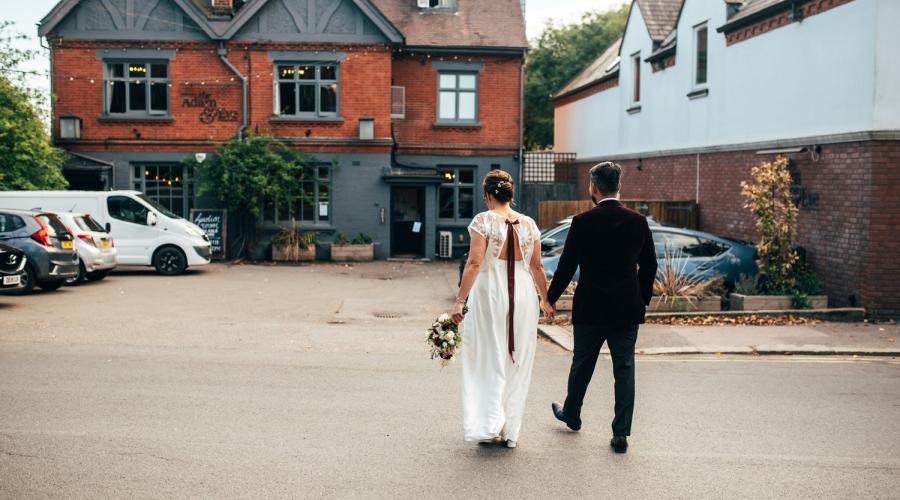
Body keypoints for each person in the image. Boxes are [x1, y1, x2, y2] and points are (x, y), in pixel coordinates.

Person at [546, 162, 657, 454]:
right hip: (626, 308)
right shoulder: (638, 221)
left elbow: (566, 266)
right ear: (619, 187)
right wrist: (642, 299)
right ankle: (621, 434)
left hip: (590, 306)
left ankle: (572, 414)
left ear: (593, 187)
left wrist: (550, 298)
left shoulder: (582, 222)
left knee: (582, 363)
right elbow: (649, 266)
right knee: (625, 369)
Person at [452, 170, 555, 449]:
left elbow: (474, 264)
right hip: (522, 295)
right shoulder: (530, 224)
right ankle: (511, 432)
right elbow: (537, 266)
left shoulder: (482, 221)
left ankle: (489, 425)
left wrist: (460, 300)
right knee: (517, 359)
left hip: (489, 294)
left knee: (488, 356)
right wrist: (545, 300)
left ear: (487, 195)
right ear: (511, 194)